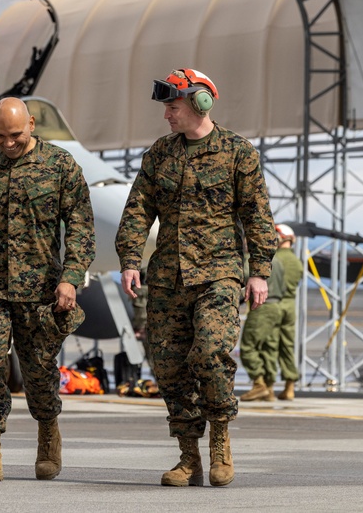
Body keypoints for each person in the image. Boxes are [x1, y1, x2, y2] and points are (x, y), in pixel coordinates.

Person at [115, 68, 277, 488]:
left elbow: (257, 216)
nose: (167, 115)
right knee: (169, 370)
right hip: (167, 279)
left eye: (172, 106)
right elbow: (137, 210)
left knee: (209, 355)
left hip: (219, 276)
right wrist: (131, 259)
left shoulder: (238, 152)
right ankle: (188, 459)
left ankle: (220, 440)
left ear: (200, 102)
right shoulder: (159, 155)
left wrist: (259, 272)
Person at [0, 97, 95, 483]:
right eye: (0, 136)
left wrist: (70, 277)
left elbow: (80, 225)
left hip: (41, 288)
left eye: (15, 135)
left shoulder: (60, 166)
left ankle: (48, 433)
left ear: (30, 124)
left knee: (39, 370)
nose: (7, 143)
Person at [239, 223, 300, 402]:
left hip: (265, 303)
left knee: (258, 347)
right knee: (282, 346)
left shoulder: (269, 260)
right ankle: (287, 386)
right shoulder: (294, 261)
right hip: (285, 304)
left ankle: (264, 385)